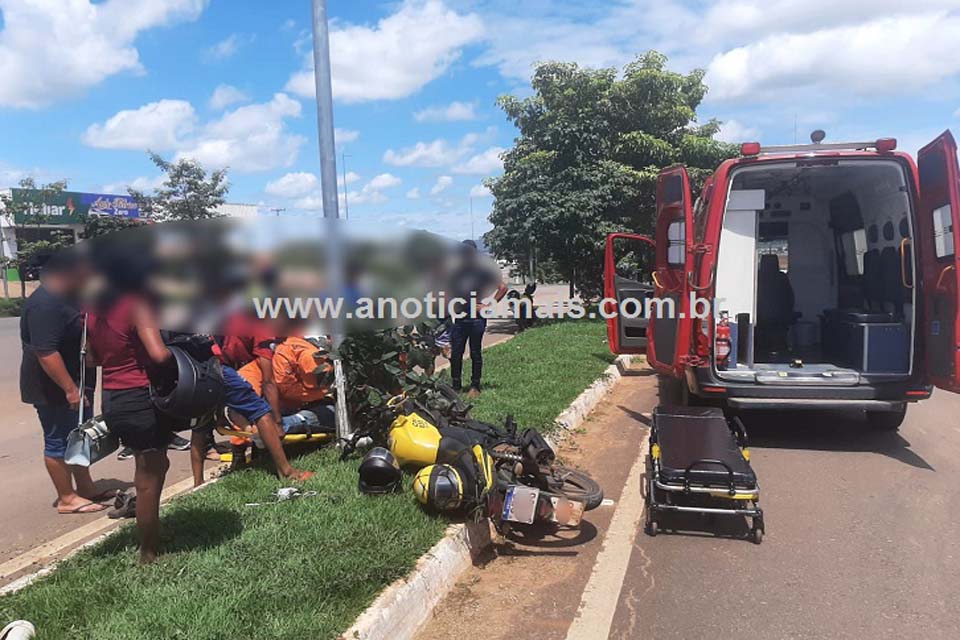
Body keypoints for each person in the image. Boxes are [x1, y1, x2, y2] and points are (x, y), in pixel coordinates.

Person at [87, 291, 176, 564]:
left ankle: (152, 532)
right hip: (139, 396)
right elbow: (159, 354)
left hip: (114, 396)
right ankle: (148, 552)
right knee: (148, 477)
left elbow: (93, 359)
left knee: (154, 466)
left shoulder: (93, 309)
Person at [20, 250, 108, 515]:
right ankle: (66, 498)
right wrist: (70, 389)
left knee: (79, 439)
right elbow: (46, 352)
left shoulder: (69, 299)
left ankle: (85, 487)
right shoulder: (44, 304)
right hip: (54, 387)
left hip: (77, 382)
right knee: (59, 440)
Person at [189, 329, 315, 487]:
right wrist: (277, 423)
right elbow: (269, 382)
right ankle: (286, 472)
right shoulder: (263, 330)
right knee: (262, 413)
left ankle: (198, 483)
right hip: (218, 368)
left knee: (200, 426)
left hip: (193, 371)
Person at [448, 240, 507, 398]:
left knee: (475, 352)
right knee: (456, 354)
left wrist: (488, 305)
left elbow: (503, 287)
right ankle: (456, 386)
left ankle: (475, 386)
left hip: (477, 320)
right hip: (460, 319)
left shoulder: (483, 272)